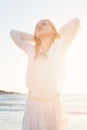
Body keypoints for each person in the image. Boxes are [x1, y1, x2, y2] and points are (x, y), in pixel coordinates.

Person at [10, 17, 80, 130]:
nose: (39, 26)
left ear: (53, 30)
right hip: (33, 104)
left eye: (44, 24)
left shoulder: (61, 45)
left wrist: (57, 34)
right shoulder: (31, 49)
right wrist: (34, 37)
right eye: (37, 25)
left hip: (54, 105)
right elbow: (13, 34)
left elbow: (76, 22)